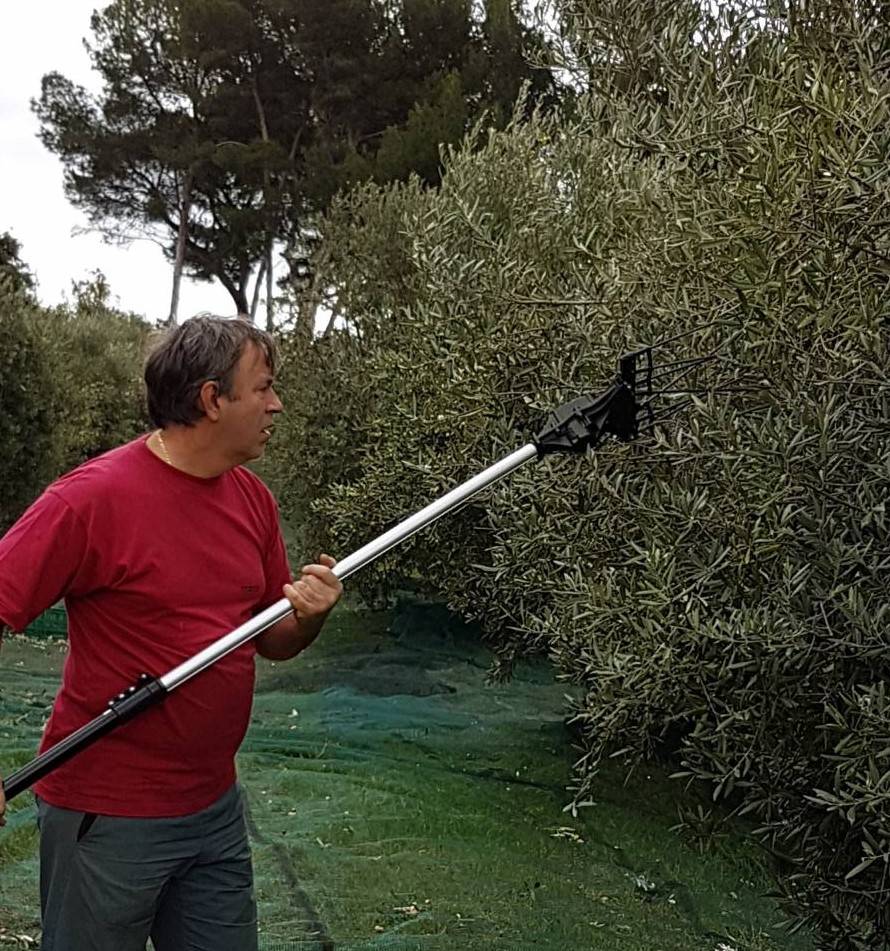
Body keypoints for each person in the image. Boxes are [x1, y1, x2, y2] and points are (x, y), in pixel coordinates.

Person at [0, 315, 343, 951]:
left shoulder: (252, 501)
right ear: (212, 399)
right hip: (104, 817)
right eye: (263, 387)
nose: (277, 404)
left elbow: (271, 639)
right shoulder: (90, 500)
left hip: (212, 812)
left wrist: (308, 616)